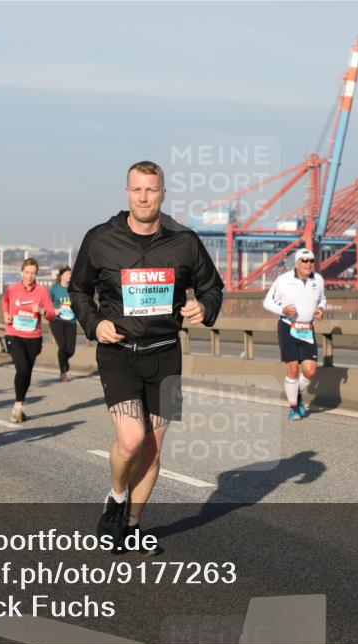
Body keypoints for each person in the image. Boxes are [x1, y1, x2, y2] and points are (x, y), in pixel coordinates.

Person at [69, 160, 223, 553]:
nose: (143, 197)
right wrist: (94, 324)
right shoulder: (101, 238)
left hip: (166, 355)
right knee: (133, 438)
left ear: (163, 194)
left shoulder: (184, 241)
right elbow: (79, 291)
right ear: (126, 192)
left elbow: (212, 287)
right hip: (118, 354)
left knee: (153, 448)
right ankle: (116, 499)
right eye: (137, 189)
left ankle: (133, 526)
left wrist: (204, 308)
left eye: (151, 190)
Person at [262, 248, 326, 420]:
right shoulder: (283, 280)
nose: (308, 264)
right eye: (304, 261)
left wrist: (321, 309)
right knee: (292, 369)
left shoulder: (318, 279)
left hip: (307, 329)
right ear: (297, 263)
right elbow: (267, 302)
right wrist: (282, 309)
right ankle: (293, 407)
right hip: (288, 327)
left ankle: (294, 395)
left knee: (310, 371)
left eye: (311, 260)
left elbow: (322, 299)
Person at [2, 258, 56, 422]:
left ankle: (19, 405)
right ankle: (17, 408)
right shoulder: (12, 289)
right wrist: (6, 314)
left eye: (33, 273)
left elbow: (52, 314)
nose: (30, 276)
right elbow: (5, 302)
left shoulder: (42, 291)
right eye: (27, 272)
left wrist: (40, 310)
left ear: (36, 274)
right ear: (21, 273)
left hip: (33, 337)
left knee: (27, 372)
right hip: (14, 334)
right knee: (23, 369)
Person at [49, 266, 77, 382]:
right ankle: (63, 371)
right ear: (61, 276)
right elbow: (47, 303)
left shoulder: (73, 289)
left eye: (70, 274)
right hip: (57, 321)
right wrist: (53, 310)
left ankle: (64, 361)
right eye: (67, 274)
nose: (69, 276)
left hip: (71, 321)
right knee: (62, 346)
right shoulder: (55, 289)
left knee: (70, 350)